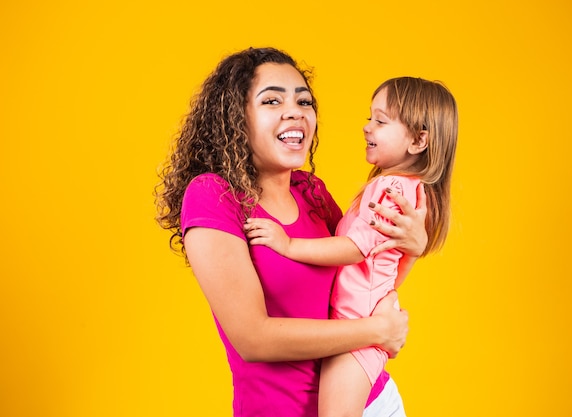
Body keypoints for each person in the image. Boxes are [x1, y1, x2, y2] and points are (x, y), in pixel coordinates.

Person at [155, 47, 429, 417]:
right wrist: (378, 332)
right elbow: (253, 338)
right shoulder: (212, 197)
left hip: (375, 401)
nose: (294, 111)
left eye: (304, 101)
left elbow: (362, 276)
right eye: (271, 100)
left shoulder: (311, 191)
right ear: (237, 118)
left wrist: (412, 248)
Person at [245, 76, 458, 417]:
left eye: (380, 121)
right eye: (369, 117)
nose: (366, 127)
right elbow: (387, 263)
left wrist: (286, 244)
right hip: (362, 325)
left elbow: (356, 248)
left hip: (356, 330)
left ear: (419, 140)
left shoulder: (391, 188)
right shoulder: (401, 186)